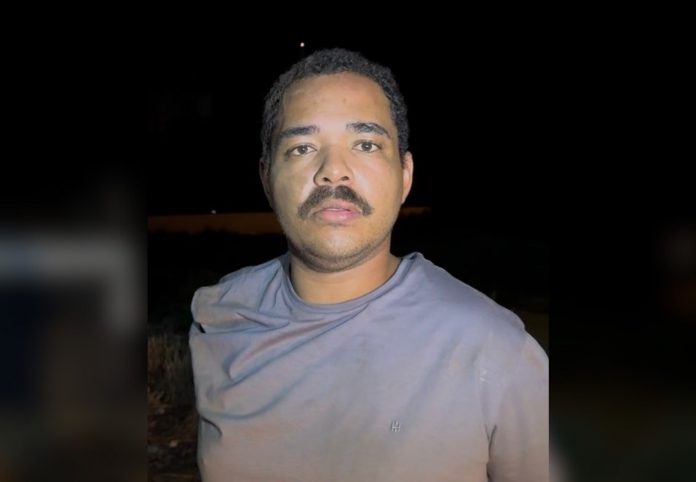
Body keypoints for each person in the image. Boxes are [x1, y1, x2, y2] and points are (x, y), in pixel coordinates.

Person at [189, 47, 548, 482]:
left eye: (365, 144)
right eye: (302, 147)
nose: (333, 171)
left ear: (405, 175)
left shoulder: (494, 351)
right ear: (267, 178)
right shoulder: (219, 318)